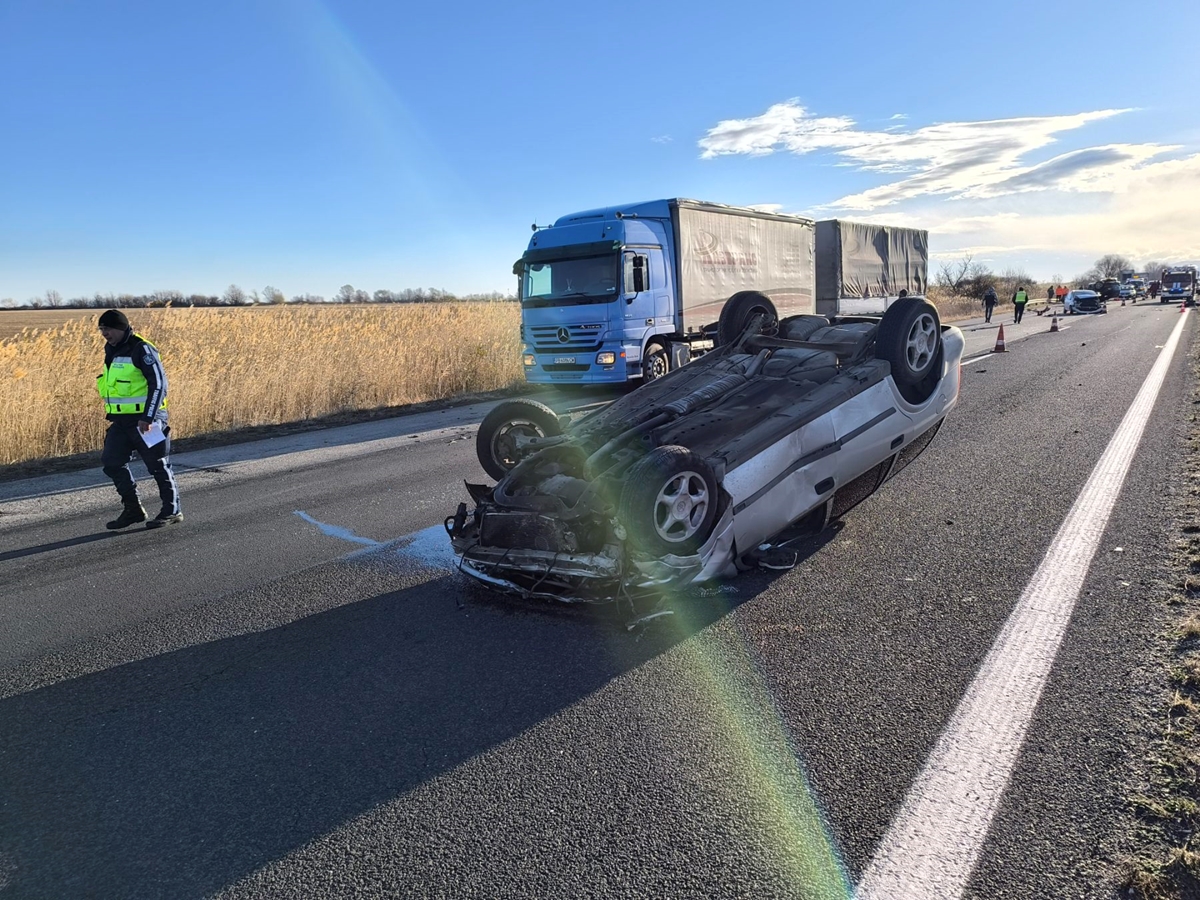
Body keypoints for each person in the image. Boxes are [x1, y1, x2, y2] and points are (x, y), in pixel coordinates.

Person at [96, 309, 183, 529]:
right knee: (112, 461)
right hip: (122, 421)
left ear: (121, 327)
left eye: (108, 328)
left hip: (148, 419)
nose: (104, 333)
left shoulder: (141, 348)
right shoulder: (112, 349)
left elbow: (159, 384)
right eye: (101, 329)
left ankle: (172, 511)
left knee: (157, 463)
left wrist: (149, 416)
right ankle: (133, 510)